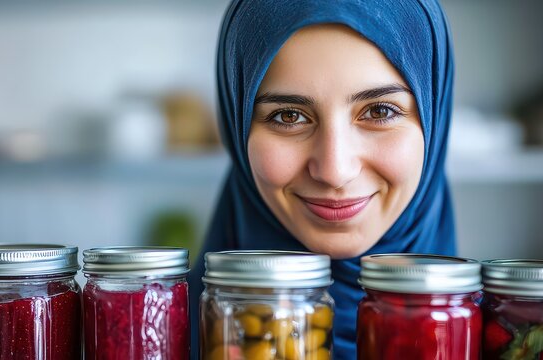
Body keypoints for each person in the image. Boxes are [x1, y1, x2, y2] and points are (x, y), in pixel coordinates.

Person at [188, 0, 455, 358]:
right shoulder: (156, 337)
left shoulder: (508, 337)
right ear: (237, 127)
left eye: (380, 111)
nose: (334, 171)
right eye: (288, 116)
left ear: (433, 120)